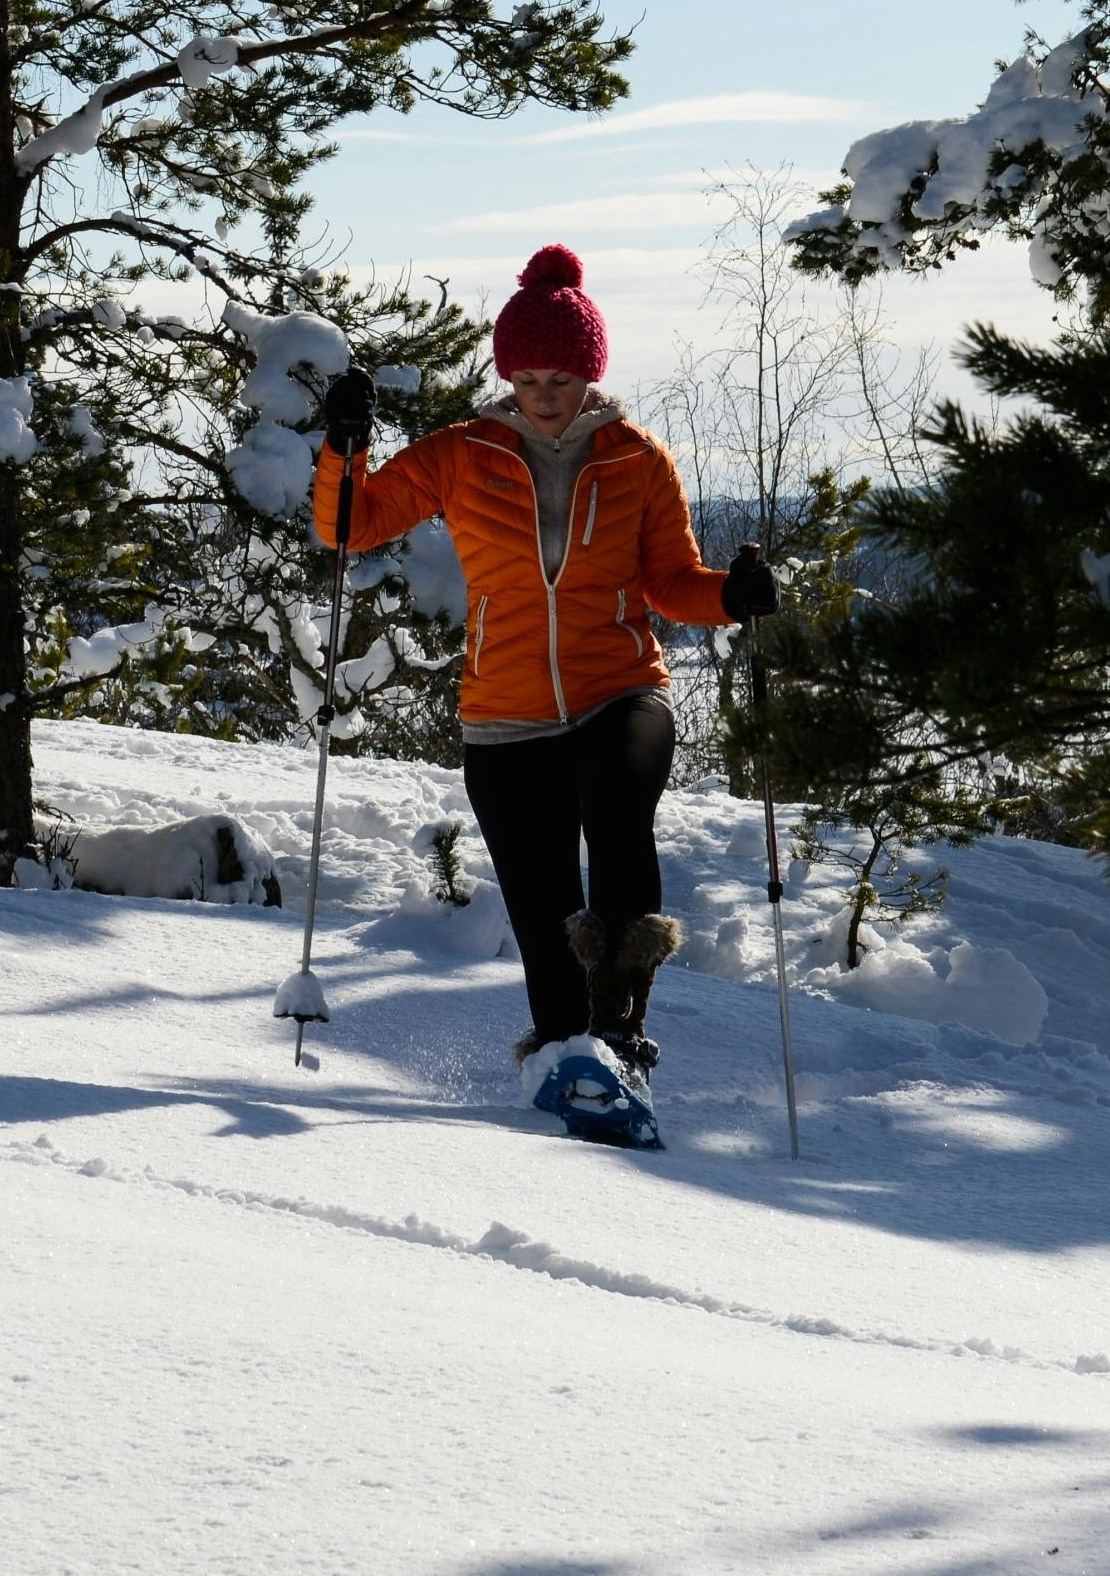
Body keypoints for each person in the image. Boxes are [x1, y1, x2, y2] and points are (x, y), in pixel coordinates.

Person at [310, 244, 775, 1078]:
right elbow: (353, 523)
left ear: (590, 374)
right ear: (508, 377)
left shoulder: (638, 458)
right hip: (505, 713)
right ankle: (569, 1058)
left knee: (620, 801)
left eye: (560, 379)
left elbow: (672, 580)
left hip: (620, 687)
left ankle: (622, 1027)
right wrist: (344, 446)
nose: (544, 396)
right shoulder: (462, 453)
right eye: (527, 380)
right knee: (542, 902)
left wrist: (731, 597)